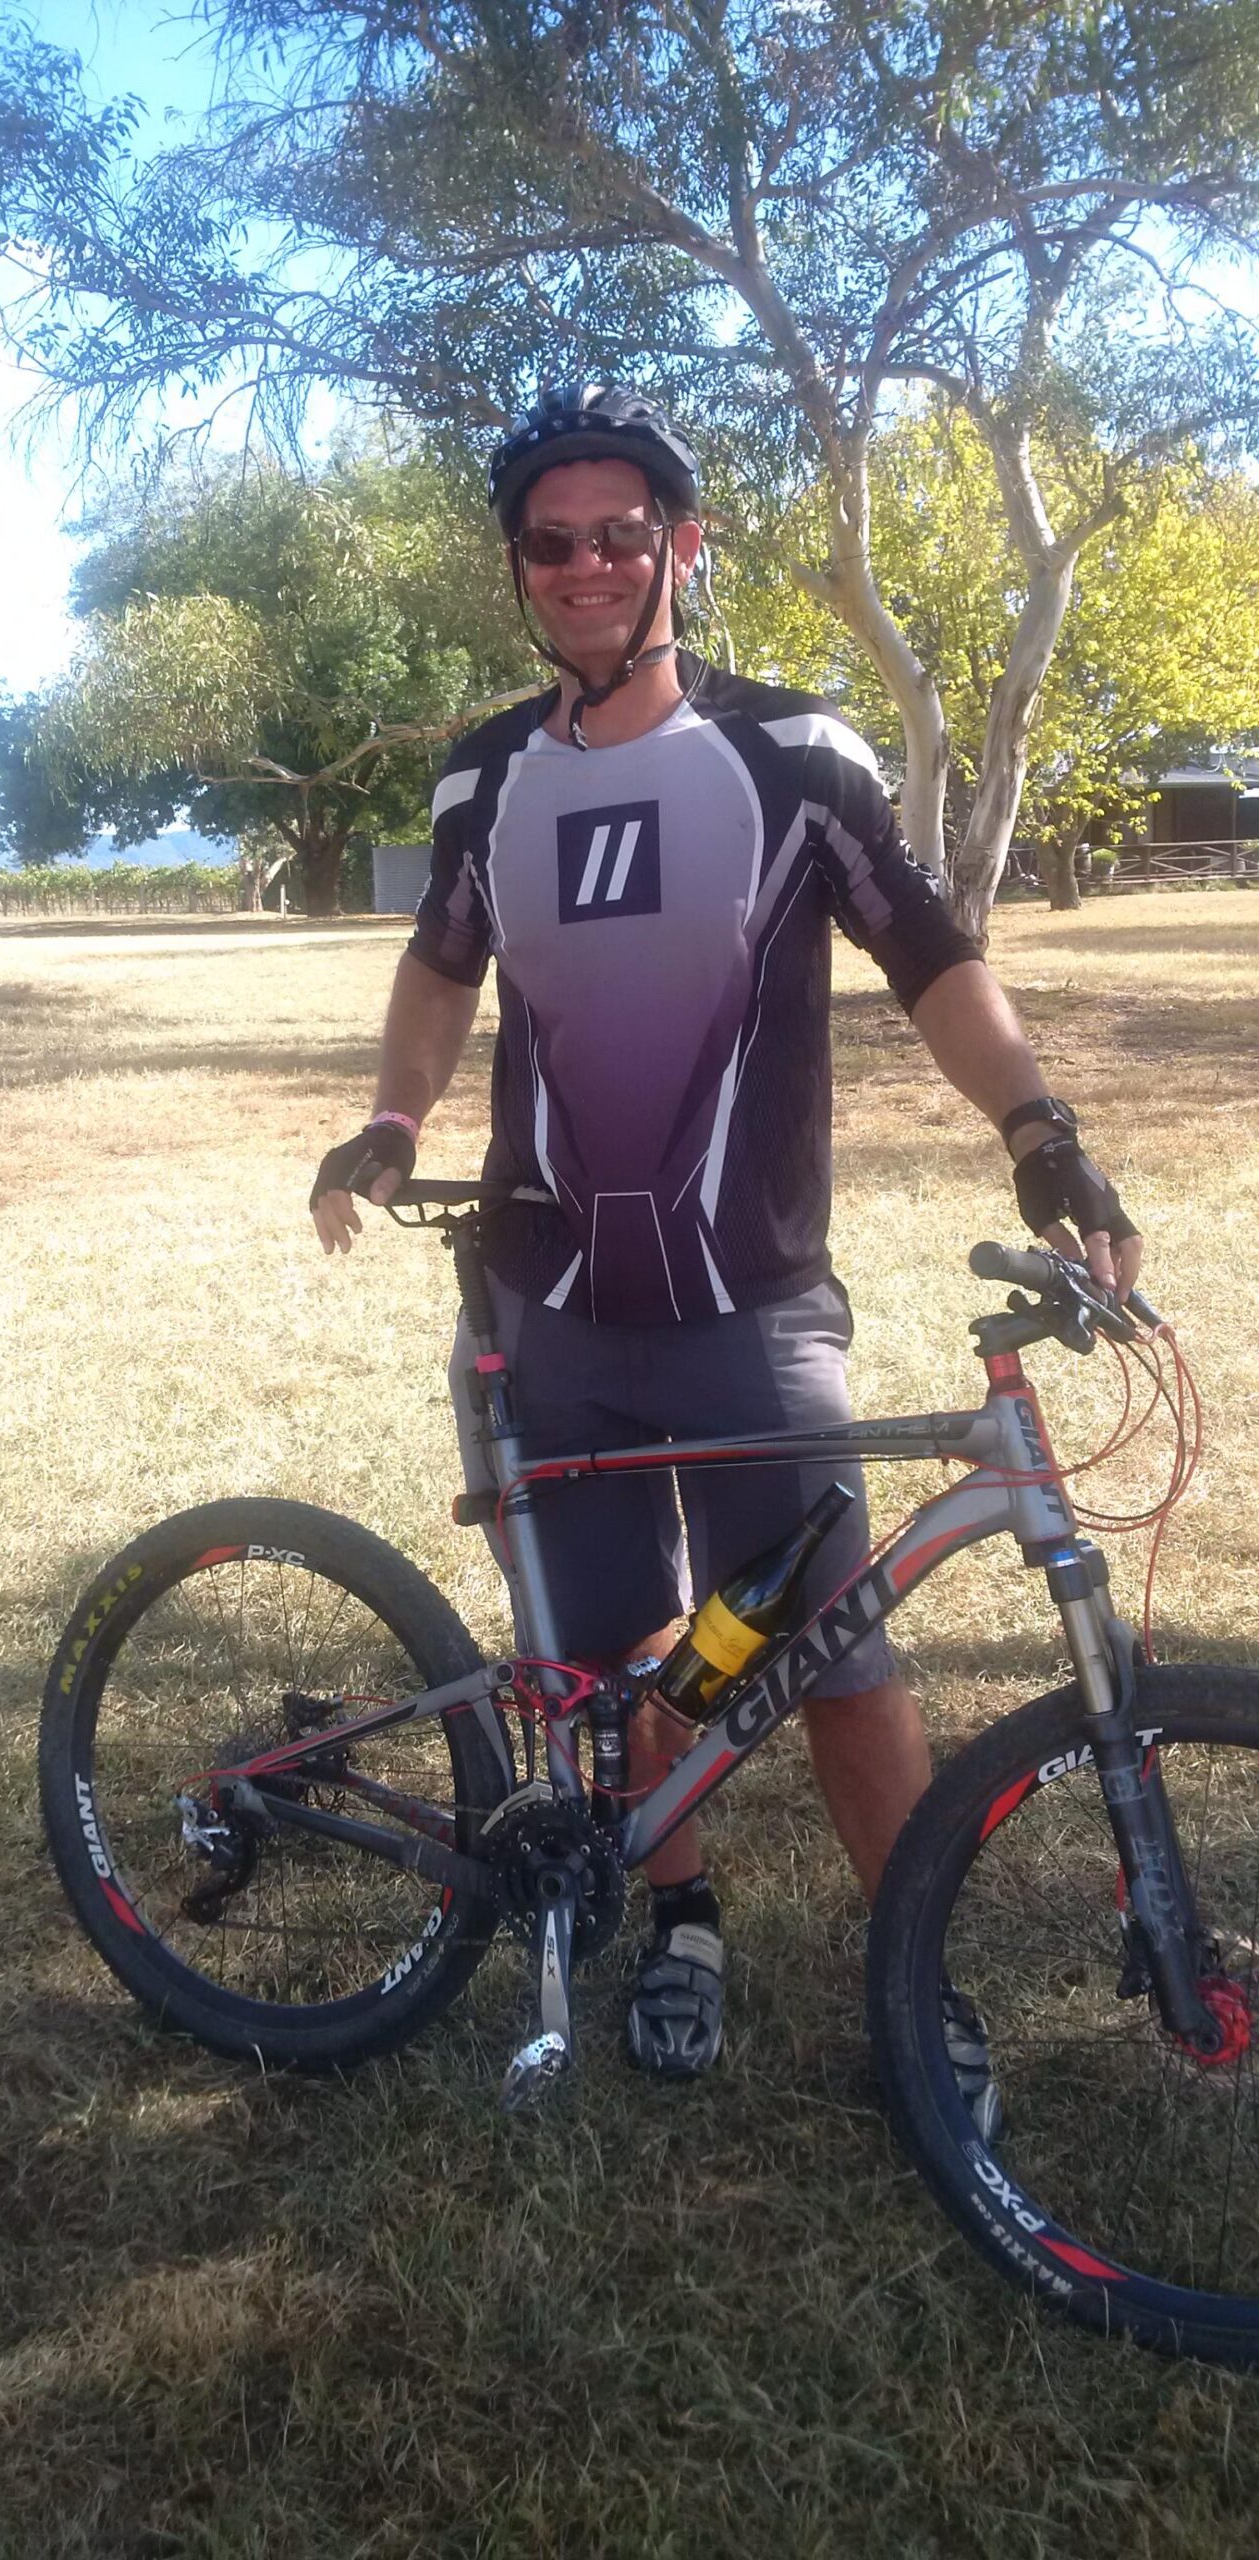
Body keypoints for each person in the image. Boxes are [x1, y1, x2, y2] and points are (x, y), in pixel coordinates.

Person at [311, 383, 1141, 2098]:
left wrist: (1042, 1133)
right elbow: (439, 968)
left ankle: (912, 1984)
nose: (590, 564)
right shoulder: (484, 776)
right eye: (555, 542)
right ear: (523, 572)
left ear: (683, 550)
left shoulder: (794, 755)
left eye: (625, 533)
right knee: (618, 1669)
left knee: (833, 1655)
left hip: (752, 1303)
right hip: (553, 1301)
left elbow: (931, 952)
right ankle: (676, 1919)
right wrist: (391, 1122)